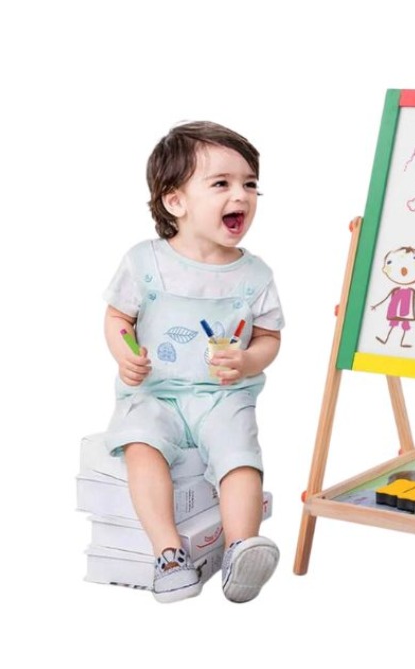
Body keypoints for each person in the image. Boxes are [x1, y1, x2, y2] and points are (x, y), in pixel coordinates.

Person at [101, 121, 284, 603]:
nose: (241, 195)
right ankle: (169, 554)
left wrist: (247, 361)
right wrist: (124, 352)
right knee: (141, 444)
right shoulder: (145, 262)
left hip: (223, 396)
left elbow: (270, 338)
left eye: (250, 184)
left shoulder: (255, 275)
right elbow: (119, 317)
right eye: (221, 183)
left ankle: (241, 548)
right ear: (175, 201)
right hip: (155, 393)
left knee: (240, 455)